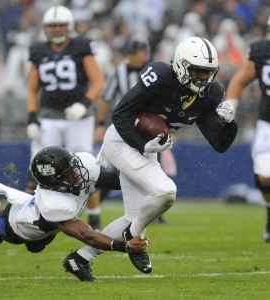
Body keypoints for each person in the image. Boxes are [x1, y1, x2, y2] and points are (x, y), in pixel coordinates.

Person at [69, 36, 238, 280]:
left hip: (146, 148)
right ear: (181, 66)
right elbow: (121, 114)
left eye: (207, 73)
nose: (203, 78)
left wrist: (230, 123)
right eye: (197, 71)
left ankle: (80, 259)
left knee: (132, 216)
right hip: (122, 140)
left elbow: (220, 143)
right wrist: (142, 145)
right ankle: (133, 235)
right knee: (165, 192)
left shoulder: (209, 95)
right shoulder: (160, 76)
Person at [0, 146, 149, 282]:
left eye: (74, 168)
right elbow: (87, 235)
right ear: (55, 182)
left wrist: (135, 176)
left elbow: (108, 181)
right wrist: (124, 246)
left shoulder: (78, 170)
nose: (76, 174)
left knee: (36, 247)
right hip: (16, 225)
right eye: (69, 174)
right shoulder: (54, 205)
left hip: (44, 225)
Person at [25, 5, 105, 231]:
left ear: (69, 26)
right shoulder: (38, 50)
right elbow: (31, 89)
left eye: (61, 25)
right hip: (49, 115)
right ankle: (31, 216)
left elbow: (98, 80)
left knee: (84, 166)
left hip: (78, 117)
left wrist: (84, 103)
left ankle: (94, 217)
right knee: (39, 167)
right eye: (53, 25)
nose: (57, 29)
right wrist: (31, 118)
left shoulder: (81, 46)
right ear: (46, 28)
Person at [95, 38, 176, 223]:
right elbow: (106, 99)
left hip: (151, 129)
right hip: (125, 129)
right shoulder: (119, 73)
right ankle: (96, 203)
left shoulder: (158, 73)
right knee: (117, 173)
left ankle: (157, 213)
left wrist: (170, 128)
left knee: (156, 167)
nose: (132, 58)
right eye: (130, 54)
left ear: (144, 54)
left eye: (135, 54)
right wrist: (100, 123)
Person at [225, 15, 270, 243]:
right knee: (264, 176)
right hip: (267, 122)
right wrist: (230, 109)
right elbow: (239, 80)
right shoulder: (262, 51)